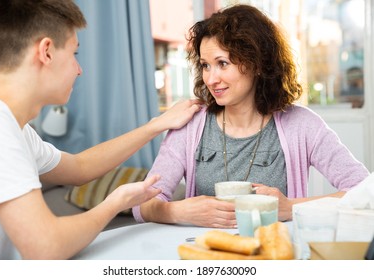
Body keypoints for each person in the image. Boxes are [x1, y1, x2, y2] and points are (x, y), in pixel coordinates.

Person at [0, 0, 201, 260]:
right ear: (47, 52)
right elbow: (46, 247)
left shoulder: (12, 126)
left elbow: (80, 168)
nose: (79, 69)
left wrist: (156, 125)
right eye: (74, 54)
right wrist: (115, 203)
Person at [133, 4, 370, 228]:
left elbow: (365, 192)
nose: (211, 79)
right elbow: (141, 205)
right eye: (205, 65)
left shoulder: (302, 125)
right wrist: (178, 211)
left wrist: (290, 208)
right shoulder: (190, 126)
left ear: (257, 63)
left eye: (222, 63)